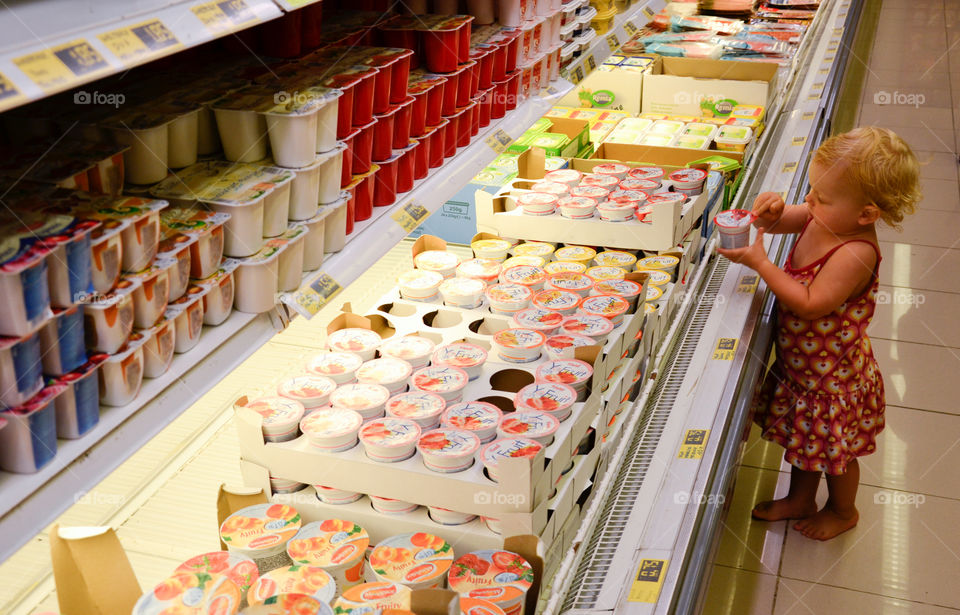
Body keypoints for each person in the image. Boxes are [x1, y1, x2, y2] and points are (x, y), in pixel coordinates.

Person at [717, 126, 921, 540]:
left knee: (835, 455)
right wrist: (773, 213)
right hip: (806, 371)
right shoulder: (825, 214)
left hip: (834, 380)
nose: (808, 201)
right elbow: (788, 220)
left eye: (820, 197)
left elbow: (810, 303)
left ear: (866, 214)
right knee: (807, 443)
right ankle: (799, 499)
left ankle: (842, 509)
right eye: (810, 190)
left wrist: (761, 265)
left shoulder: (855, 252)